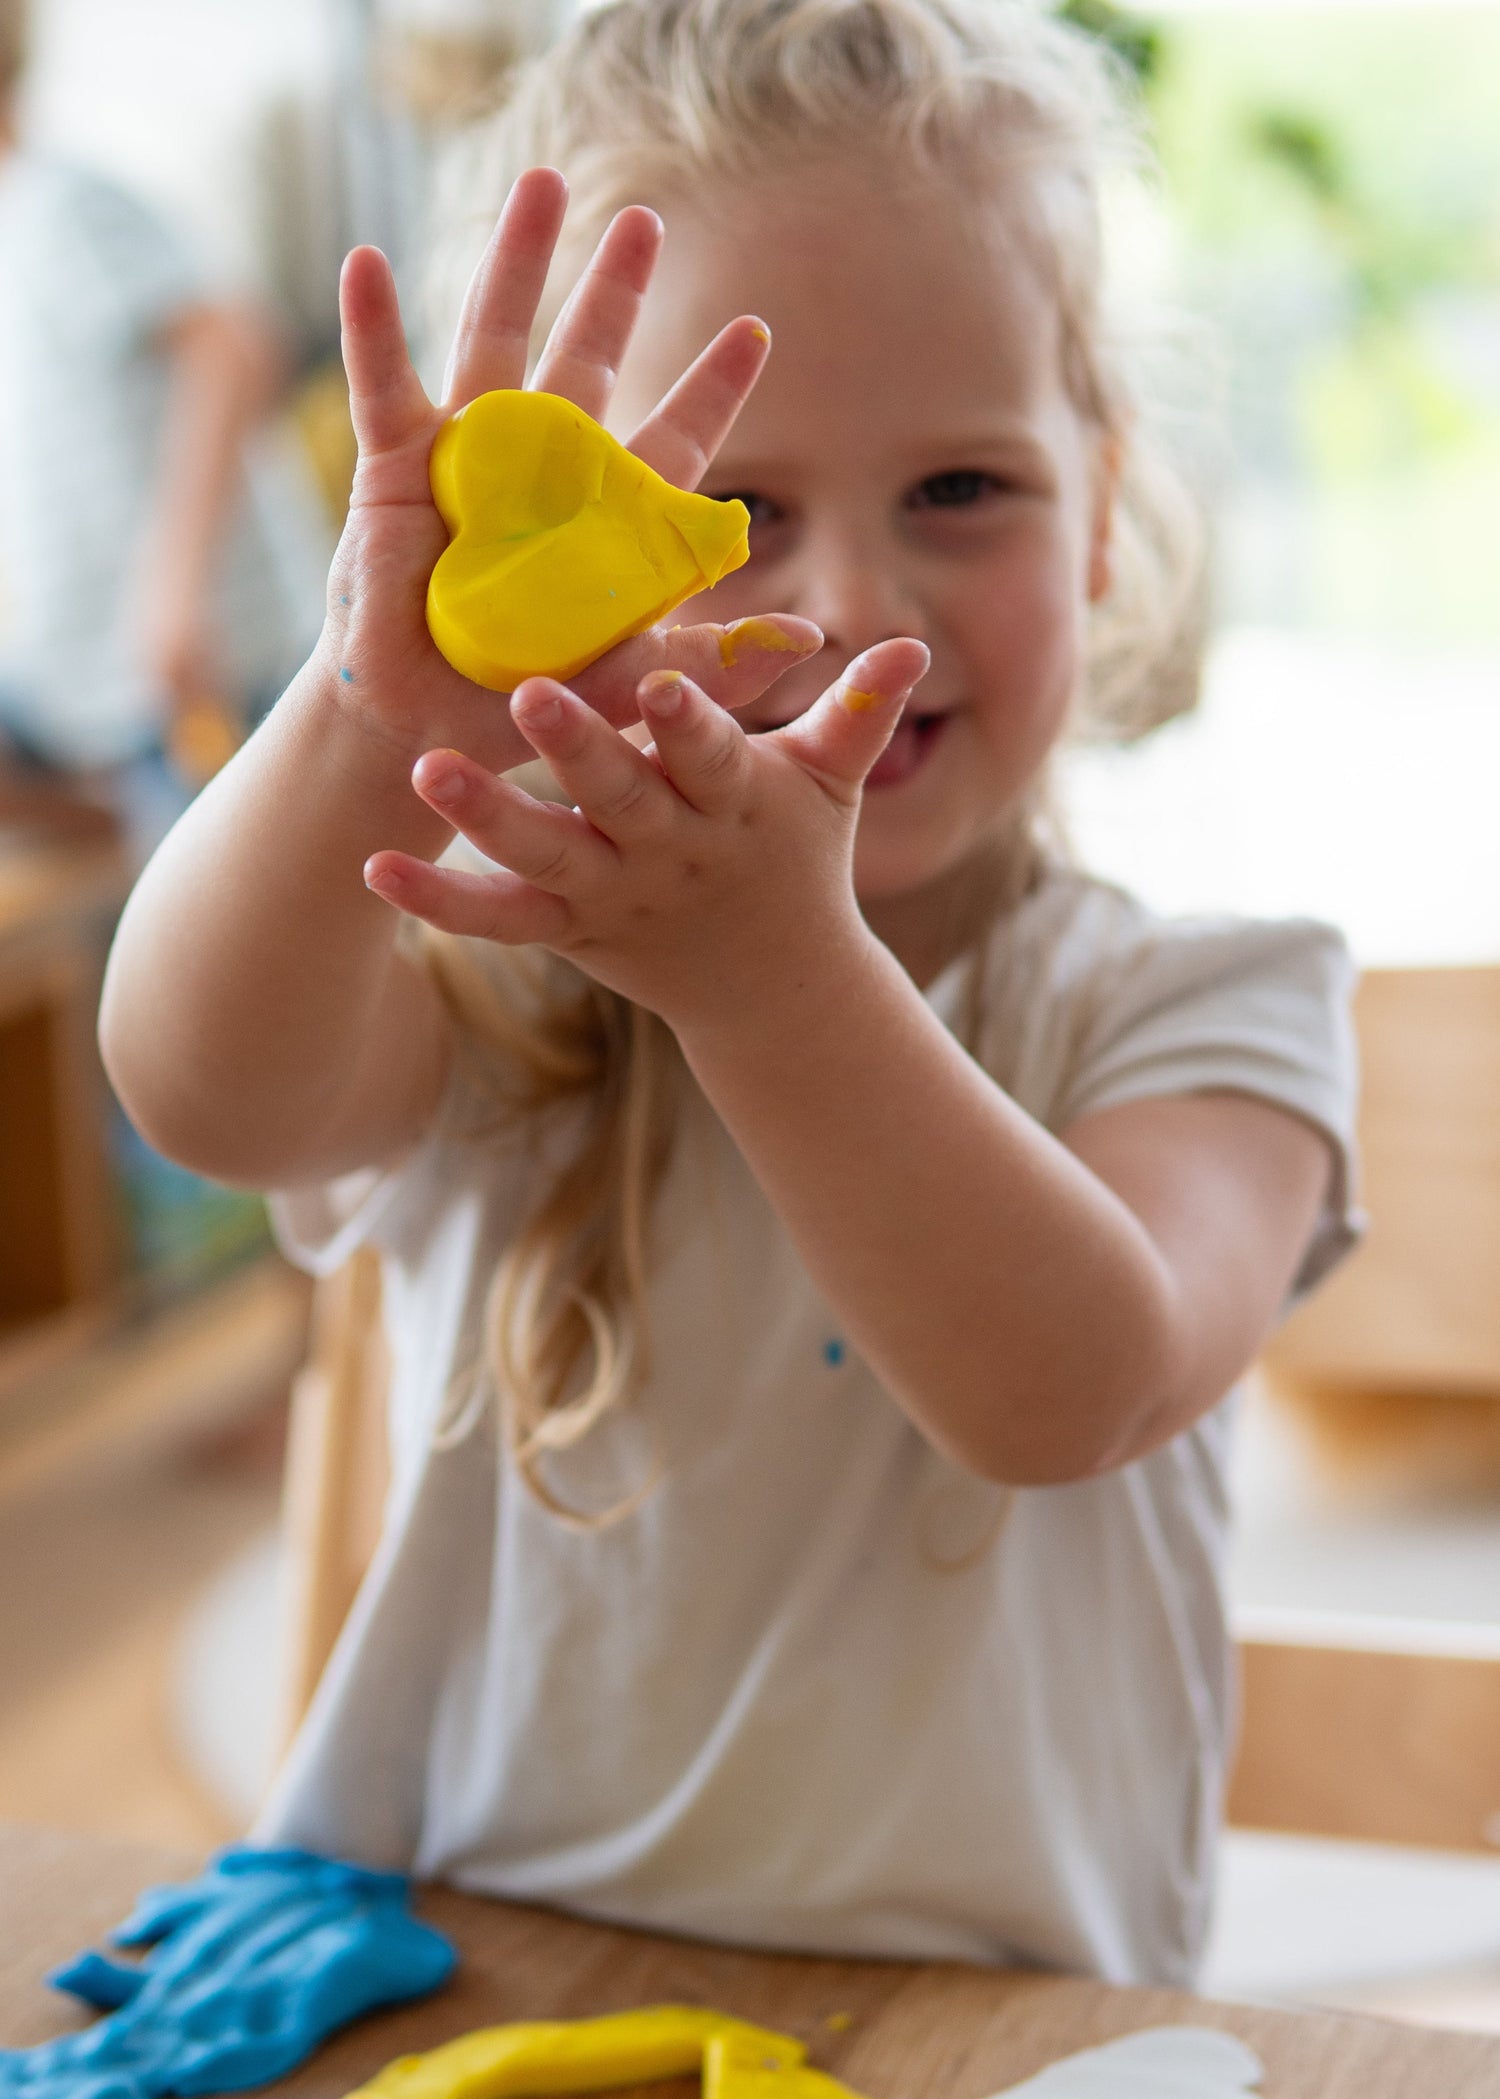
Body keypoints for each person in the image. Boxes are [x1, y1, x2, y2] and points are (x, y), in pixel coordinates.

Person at [100, 0, 1362, 1989]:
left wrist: (778, 981)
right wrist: (360, 718)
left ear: (1106, 507)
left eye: (963, 486)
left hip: (987, 2034)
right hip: (471, 1986)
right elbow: (203, 1091)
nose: (852, 605)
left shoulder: (1211, 1005)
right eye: (740, 515)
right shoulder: (490, 969)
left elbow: (1071, 1383)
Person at [0, 0, 329, 856]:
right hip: (88, 677)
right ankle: (114, 849)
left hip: (194, 661)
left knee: (225, 907)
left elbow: (232, 348)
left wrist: (174, 585)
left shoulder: (61, 206)